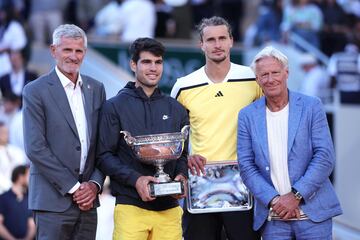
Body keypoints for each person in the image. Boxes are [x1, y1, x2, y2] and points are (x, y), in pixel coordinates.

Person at [170, 16, 262, 240]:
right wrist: (185, 158)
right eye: (210, 39)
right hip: (200, 183)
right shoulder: (184, 85)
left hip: (244, 183)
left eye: (222, 38)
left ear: (232, 41)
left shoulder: (253, 79)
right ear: (201, 44)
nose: (217, 44)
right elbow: (174, 136)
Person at [237, 46, 342, 239]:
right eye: (264, 75)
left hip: (313, 217)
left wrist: (295, 196)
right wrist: (275, 200)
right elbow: (246, 166)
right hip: (273, 219)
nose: (270, 79)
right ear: (257, 80)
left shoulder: (312, 106)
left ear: (286, 73)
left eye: (275, 72)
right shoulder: (247, 115)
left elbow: (324, 156)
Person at [97, 37, 189, 240]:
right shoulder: (114, 106)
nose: (153, 68)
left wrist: (181, 176)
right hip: (131, 207)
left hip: (170, 210)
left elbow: (183, 154)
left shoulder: (176, 108)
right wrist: (136, 180)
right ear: (133, 64)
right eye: (146, 62)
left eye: (158, 62)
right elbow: (104, 156)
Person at [22, 24, 106, 239]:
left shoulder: (96, 88)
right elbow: (35, 148)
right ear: (53, 51)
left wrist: (94, 185)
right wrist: (74, 187)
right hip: (52, 201)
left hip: (88, 202)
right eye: (67, 50)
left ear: (85, 53)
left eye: (78, 50)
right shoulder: (35, 91)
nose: (73, 56)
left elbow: (103, 145)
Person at [0, 165, 35, 240]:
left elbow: (32, 224)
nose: (32, 179)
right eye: (29, 175)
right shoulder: (3, 198)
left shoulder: (30, 198)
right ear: (20, 177)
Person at [0, 121, 26, 194]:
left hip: (20, 190)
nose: (5, 135)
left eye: (6, 132)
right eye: (2, 132)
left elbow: (22, 169)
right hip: (3, 192)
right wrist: (11, 188)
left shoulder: (16, 151)